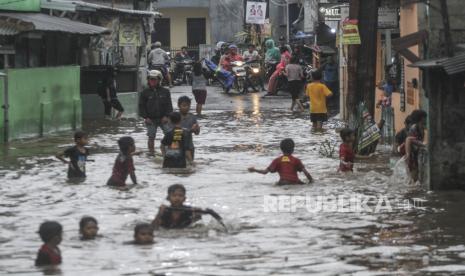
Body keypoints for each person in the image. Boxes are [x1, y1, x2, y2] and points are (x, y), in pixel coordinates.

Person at [248, 138, 313, 185]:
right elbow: (306, 173)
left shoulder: (277, 160)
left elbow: (265, 172)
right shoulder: (296, 160)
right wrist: (311, 181)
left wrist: (254, 170)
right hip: (294, 183)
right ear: (293, 149)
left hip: (282, 183)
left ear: (281, 149)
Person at [139, 70, 173, 154]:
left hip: (163, 118)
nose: (152, 81)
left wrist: (166, 116)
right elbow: (141, 107)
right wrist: (146, 118)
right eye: (150, 79)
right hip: (151, 119)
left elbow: (169, 106)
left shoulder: (165, 92)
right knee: (151, 137)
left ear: (159, 80)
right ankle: (151, 153)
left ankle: (170, 152)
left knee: (170, 135)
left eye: (154, 79)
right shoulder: (144, 92)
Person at [403, 110, 427, 182]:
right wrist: (408, 155)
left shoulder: (422, 128)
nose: (426, 119)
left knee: (417, 176)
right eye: (424, 117)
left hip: (417, 154)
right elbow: (409, 140)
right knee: (414, 177)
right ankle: (411, 191)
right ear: (420, 118)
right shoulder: (414, 127)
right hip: (411, 155)